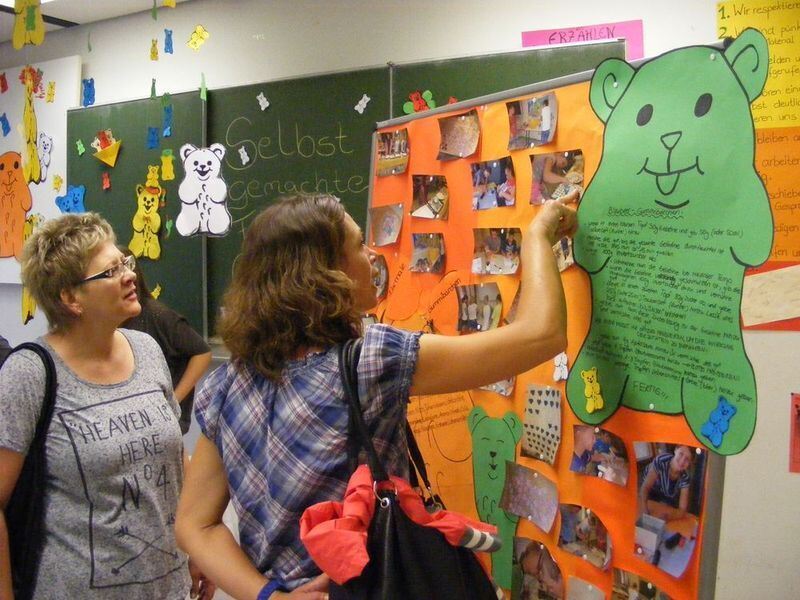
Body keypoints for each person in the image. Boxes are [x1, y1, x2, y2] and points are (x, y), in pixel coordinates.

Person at [175, 193, 576, 599]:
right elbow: (542, 335)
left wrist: (268, 596)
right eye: (357, 246)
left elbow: (195, 524)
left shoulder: (225, 385)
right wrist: (538, 234)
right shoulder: (370, 361)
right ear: (326, 272)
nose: (372, 256)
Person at [0, 213, 212, 599]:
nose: (129, 275)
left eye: (125, 263)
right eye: (110, 271)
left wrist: (199, 546)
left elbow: (174, 458)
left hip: (170, 587)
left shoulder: (147, 349)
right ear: (70, 298)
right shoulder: (29, 373)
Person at [119, 246, 212, 435]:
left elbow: (202, 352)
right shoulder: (109, 321)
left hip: (165, 422)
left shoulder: (157, 315)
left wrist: (174, 400)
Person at [639, 445, 694, 518]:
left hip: (665, 496)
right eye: (681, 454)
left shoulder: (685, 477)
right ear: (675, 450)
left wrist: (667, 518)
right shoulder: (661, 460)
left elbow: (682, 509)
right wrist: (645, 512)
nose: (682, 461)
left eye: (687, 459)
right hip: (648, 490)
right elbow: (645, 487)